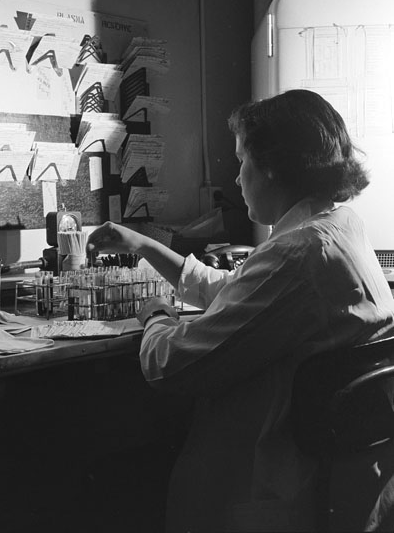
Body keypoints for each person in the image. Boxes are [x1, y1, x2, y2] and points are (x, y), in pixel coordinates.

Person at [86, 89, 394, 532]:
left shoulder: (297, 252)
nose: (237, 179)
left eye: (241, 161)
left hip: (272, 491)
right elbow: (242, 295)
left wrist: (155, 313)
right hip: (350, 486)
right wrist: (145, 246)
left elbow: (170, 365)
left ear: (270, 167)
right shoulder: (339, 229)